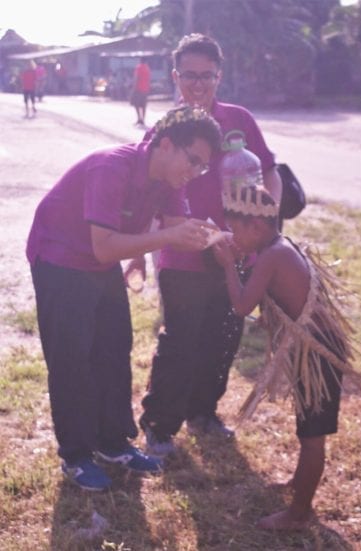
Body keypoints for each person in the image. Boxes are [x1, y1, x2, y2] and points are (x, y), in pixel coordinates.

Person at [26, 106, 222, 492]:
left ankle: (113, 442)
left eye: (203, 166)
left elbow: (173, 225)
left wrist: (217, 235)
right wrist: (165, 239)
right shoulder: (111, 167)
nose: (196, 172)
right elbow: (104, 247)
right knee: (72, 358)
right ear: (165, 144)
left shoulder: (169, 180)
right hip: (60, 257)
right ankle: (77, 455)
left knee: (114, 348)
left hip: (99, 265)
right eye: (193, 160)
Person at [138, 33, 282, 456]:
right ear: (176, 77)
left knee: (224, 335)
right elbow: (148, 189)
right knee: (181, 339)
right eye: (189, 76)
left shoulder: (239, 119)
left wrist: (265, 217)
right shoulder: (166, 129)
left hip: (238, 251)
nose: (198, 85)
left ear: (219, 76)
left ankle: (204, 413)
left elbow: (270, 172)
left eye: (207, 76)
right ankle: (161, 424)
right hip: (182, 251)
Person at [213, 184, 361, 530]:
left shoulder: (272, 256)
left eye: (236, 229)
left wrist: (227, 266)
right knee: (306, 429)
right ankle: (299, 486)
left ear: (257, 227)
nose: (233, 236)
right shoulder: (277, 247)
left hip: (319, 351)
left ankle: (299, 514)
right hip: (312, 347)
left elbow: (241, 305)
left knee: (313, 438)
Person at [130, 57, 151, 126]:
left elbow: (136, 78)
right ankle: (143, 119)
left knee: (137, 104)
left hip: (138, 89)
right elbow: (149, 79)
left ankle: (139, 118)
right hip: (146, 89)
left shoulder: (138, 68)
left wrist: (133, 89)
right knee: (144, 105)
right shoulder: (147, 68)